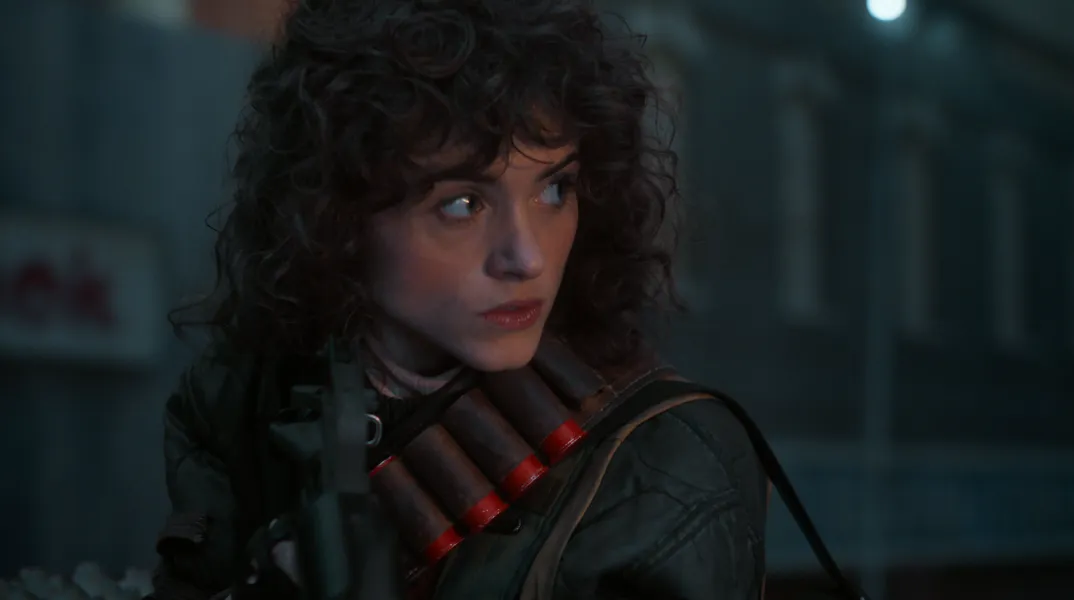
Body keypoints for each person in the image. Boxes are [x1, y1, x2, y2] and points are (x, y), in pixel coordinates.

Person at [151, 1, 776, 599]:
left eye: (554, 189)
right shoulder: (235, 399)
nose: (527, 258)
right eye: (462, 203)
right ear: (339, 215)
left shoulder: (670, 460)